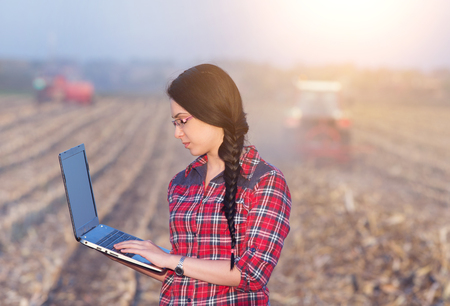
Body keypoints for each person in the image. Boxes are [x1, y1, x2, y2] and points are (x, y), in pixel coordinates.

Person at [111, 63, 291, 305]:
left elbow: (252, 273)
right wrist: (128, 253)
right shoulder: (181, 183)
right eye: (174, 123)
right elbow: (180, 274)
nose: (177, 132)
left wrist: (171, 260)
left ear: (213, 112)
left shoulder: (265, 182)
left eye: (182, 120)